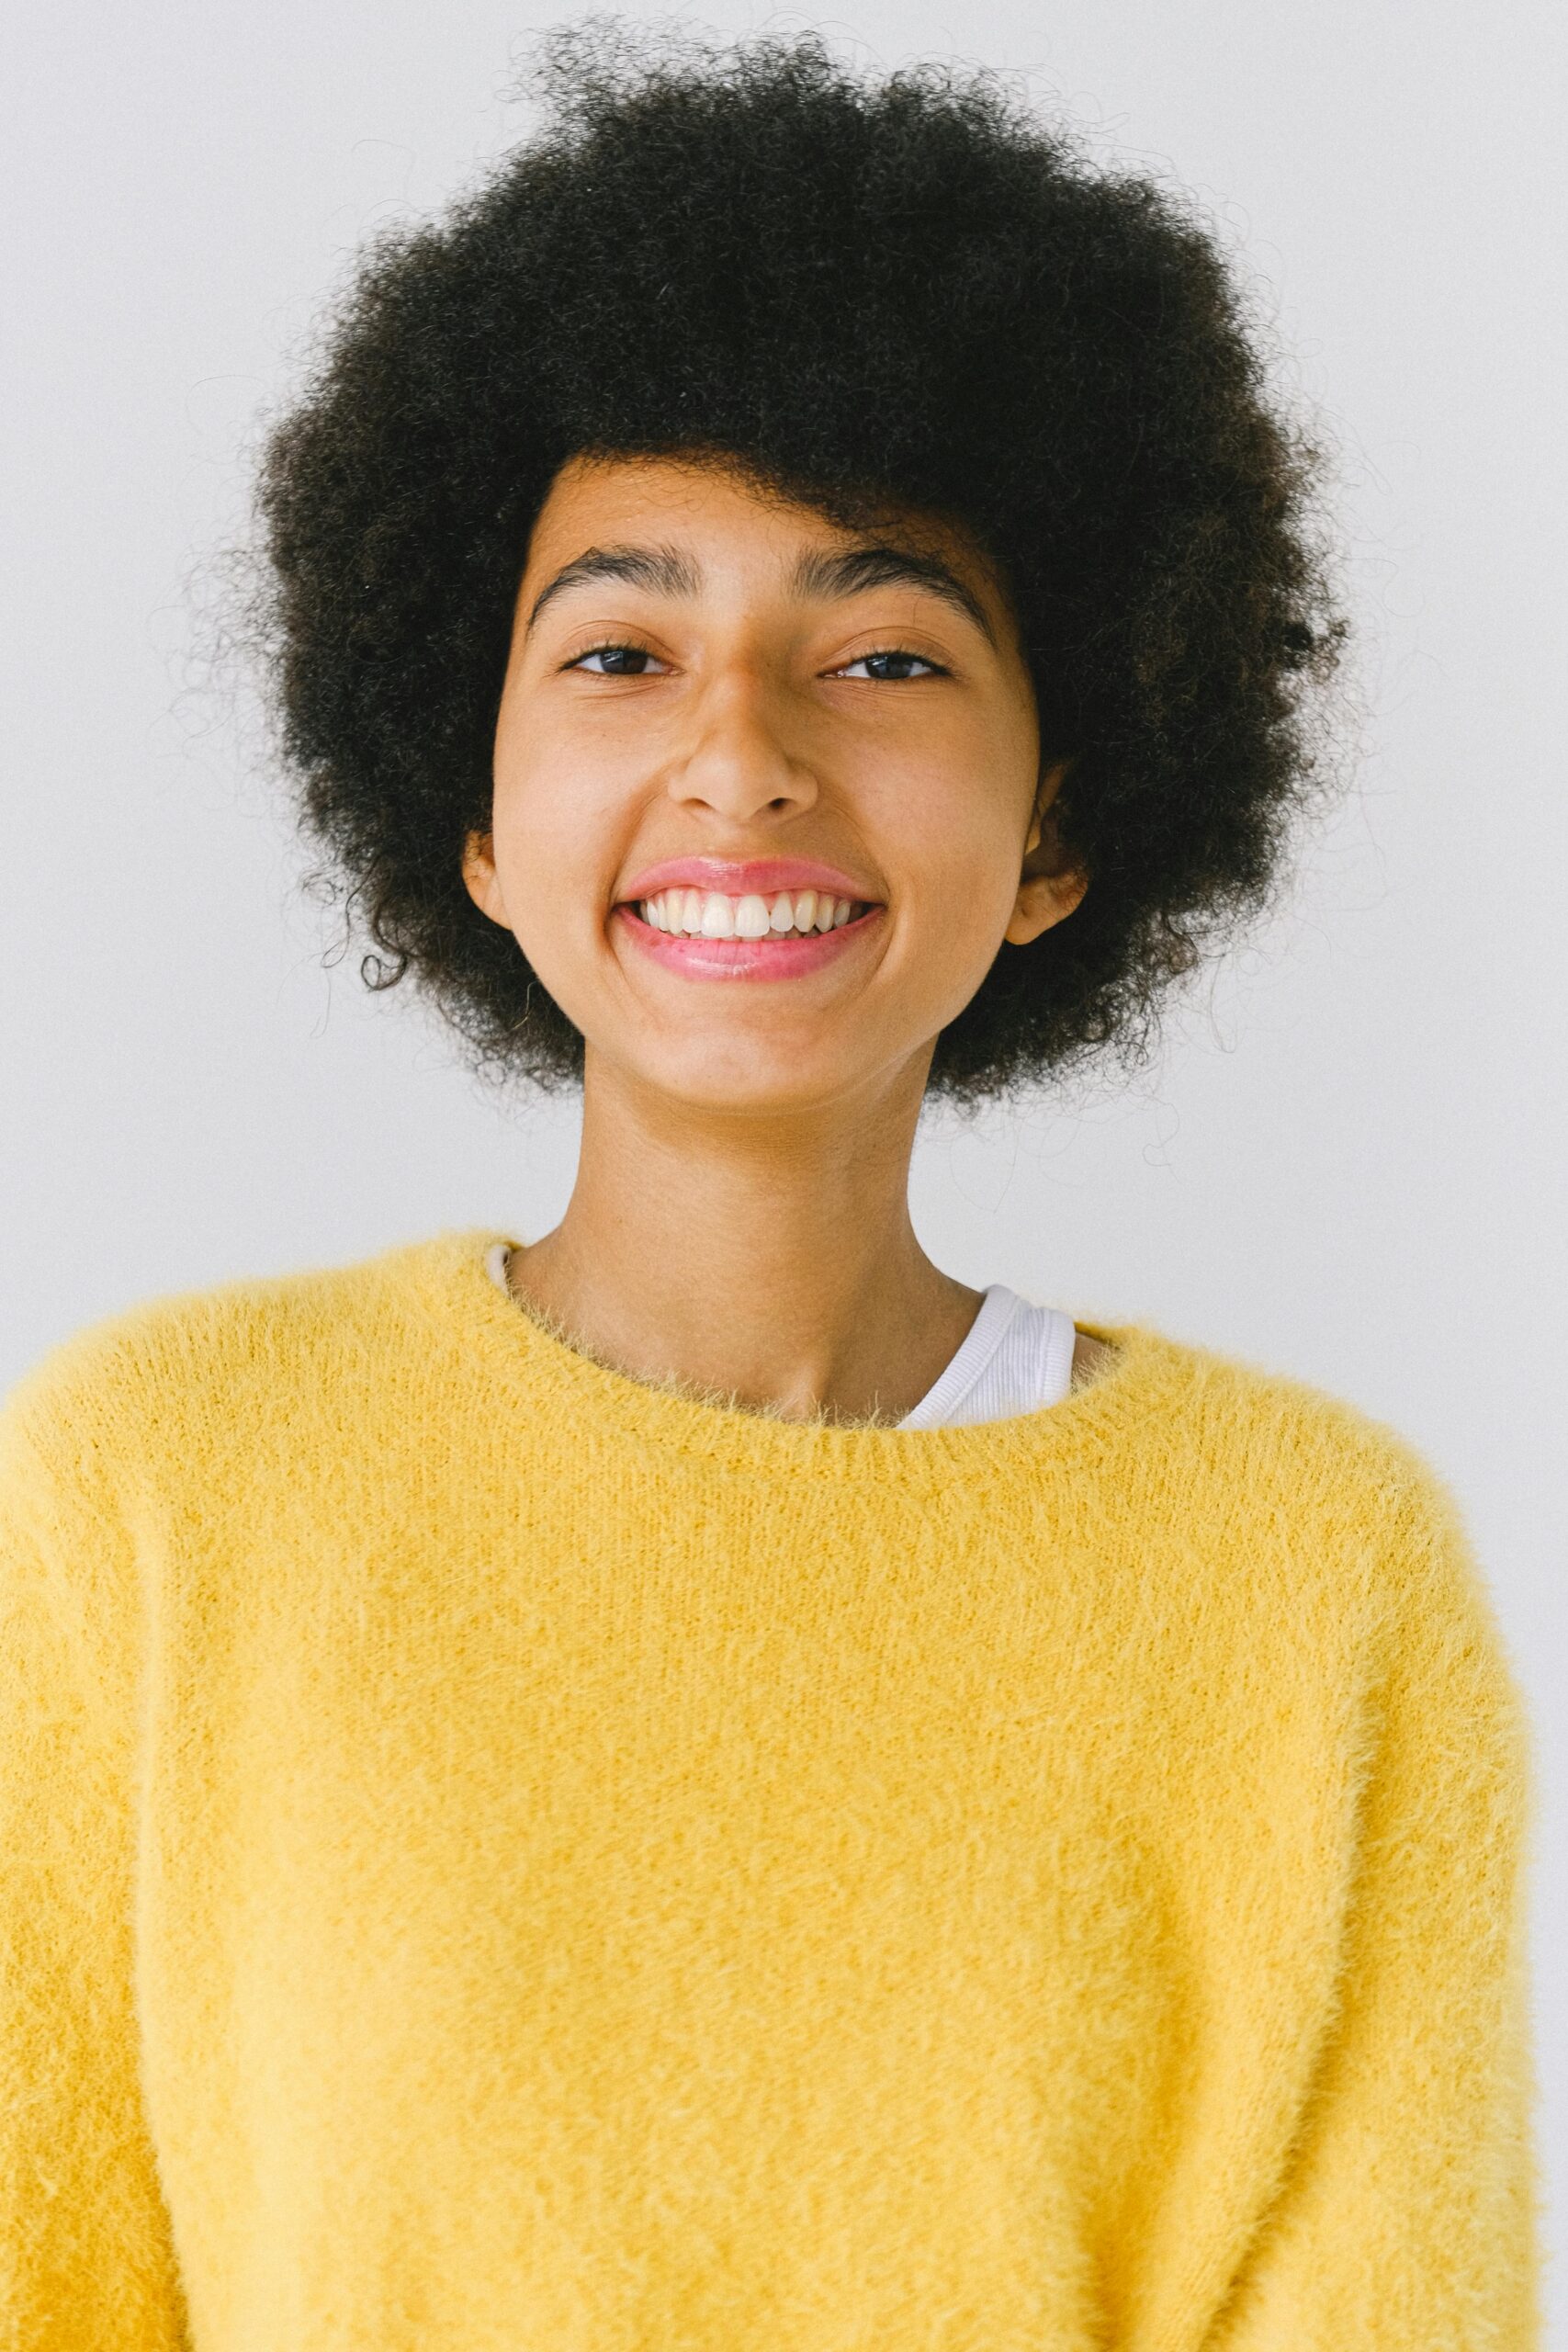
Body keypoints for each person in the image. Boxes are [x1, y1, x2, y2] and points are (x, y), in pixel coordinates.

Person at [0, 24, 1540, 2348]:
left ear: (1053, 824)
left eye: (884, 650)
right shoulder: (158, 1485)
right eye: (619, 648)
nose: (742, 753)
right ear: (476, 808)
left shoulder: (1318, 1575)